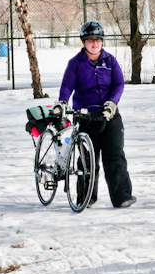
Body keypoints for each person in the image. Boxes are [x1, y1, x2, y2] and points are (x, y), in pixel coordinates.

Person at [58, 21, 136, 208]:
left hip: (109, 116)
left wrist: (113, 103)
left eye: (98, 40)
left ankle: (121, 196)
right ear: (84, 42)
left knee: (115, 155)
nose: (95, 44)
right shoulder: (75, 63)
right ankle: (86, 198)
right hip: (86, 117)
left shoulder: (110, 61)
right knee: (87, 159)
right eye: (90, 40)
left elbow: (119, 84)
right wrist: (62, 102)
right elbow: (67, 86)